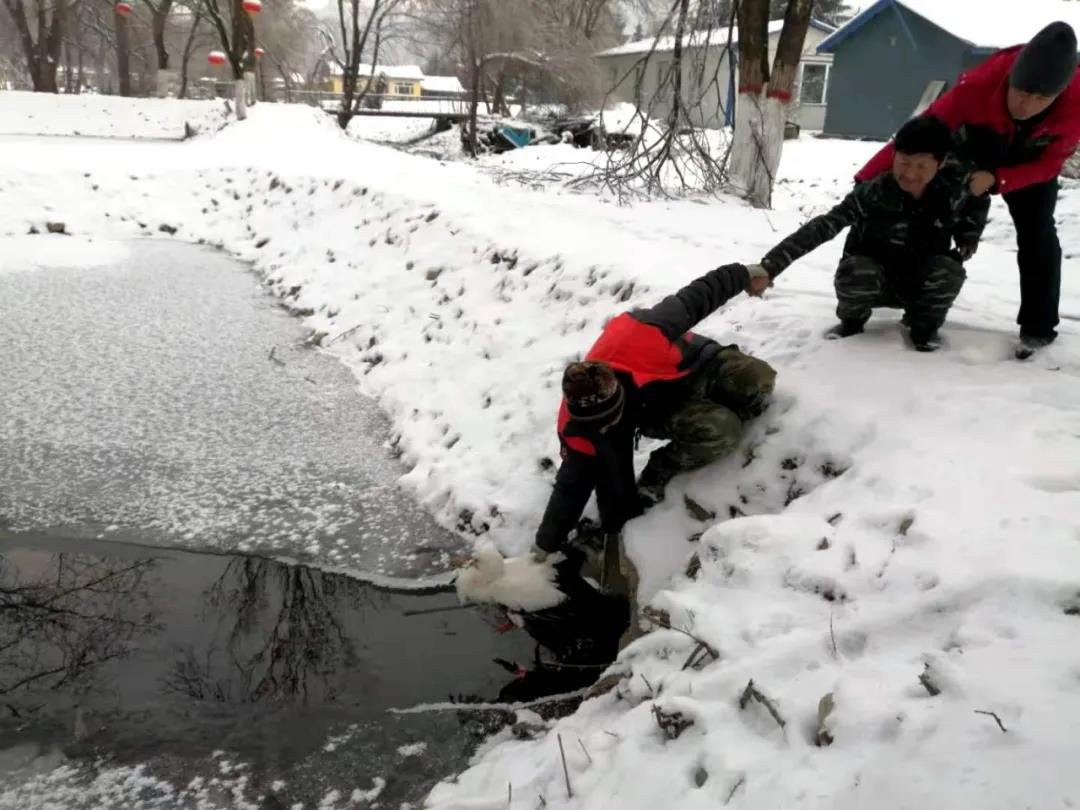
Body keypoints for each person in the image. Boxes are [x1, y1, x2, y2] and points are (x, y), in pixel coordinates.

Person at [530, 263, 776, 640]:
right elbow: (572, 487)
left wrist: (747, 273)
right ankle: (664, 468)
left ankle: (731, 403)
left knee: (756, 379)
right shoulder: (582, 431)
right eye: (597, 426)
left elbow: (702, 291)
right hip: (656, 409)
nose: (604, 430)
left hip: (690, 369)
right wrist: (545, 546)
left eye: (608, 421)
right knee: (721, 429)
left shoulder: (640, 332)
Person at [856, 21, 1080, 356]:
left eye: (1040, 98)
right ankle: (916, 297)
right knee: (934, 212)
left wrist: (1000, 179)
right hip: (980, 144)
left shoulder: (1075, 106)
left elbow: (1049, 165)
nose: (1026, 104)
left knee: (1039, 235)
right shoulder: (978, 86)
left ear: (1058, 94)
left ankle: (1039, 328)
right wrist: (864, 180)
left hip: (1029, 162)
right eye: (1020, 92)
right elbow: (921, 132)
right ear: (1010, 80)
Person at [748, 116, 990, 352]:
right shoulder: (873, 193)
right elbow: (824, 226)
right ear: (893, 156)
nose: (910, 174)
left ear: (941, 163)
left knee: (948, 270)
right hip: (872, 281)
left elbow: (978, 201)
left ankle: (924, 328)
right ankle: (852, 324)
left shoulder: (953, 190)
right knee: (857, 270)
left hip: (919, 282)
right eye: (904, 163)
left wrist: (968, 237)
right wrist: (770, 267)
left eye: (922, 166)